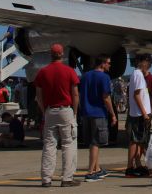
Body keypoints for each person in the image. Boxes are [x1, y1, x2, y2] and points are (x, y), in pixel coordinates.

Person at [33, 43, 80, 187]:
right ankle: (67, 178)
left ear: (50, 54)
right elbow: (75, 94)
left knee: (49, 145)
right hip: (66, 110)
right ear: (62, 54)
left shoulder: (42, 72)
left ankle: (46, 179)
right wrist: (75, 112)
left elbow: (38, 96)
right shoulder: (70, 71)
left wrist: (44, 111)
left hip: (50, 110)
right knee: (68, 144)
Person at [79, 55, 116, 182]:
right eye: (108, 63)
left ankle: (97, 168)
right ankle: (90, 172)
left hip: (86, 113)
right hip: (98, 112)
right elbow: (106, 97)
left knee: (92, 143)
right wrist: (112, 113)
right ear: (102, 64)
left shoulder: (85, 76)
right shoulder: (104, 77)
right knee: (96, 142)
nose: (110, 65)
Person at [125, 55, 152, 178]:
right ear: (142, 62)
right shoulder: (138, 75)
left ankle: (137, 164)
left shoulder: (137, 74)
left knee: (139, 141)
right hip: (139, 114)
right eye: (148, 63)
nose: (149, 66)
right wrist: (144, 113)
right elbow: (137, 96)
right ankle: (130, 167)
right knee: (135, 141)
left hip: (138, 113)